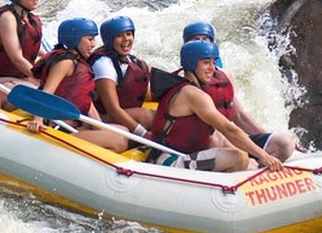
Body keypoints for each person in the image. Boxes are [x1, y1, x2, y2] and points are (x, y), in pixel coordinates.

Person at [149, 40, 283, 172]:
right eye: (206, 63)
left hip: (188, 154)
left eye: (213, 62)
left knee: (241, 157)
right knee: (239, 157)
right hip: (169, 160)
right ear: (191, 64)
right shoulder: (191, 94)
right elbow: (229, 129)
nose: (212, 68)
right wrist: (263, 156)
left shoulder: (194, 89)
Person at [181, 21, 295, 161]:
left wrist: (266, 139)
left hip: (230, 138)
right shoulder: (182, 81)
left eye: (205, 39)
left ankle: (259, 166)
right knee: (218, 141)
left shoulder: (224, 75)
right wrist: (262, 155)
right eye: (195, 40)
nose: (201, 44)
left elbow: (239, 116)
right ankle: (249, 165)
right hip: (207, 143)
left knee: (284, 143)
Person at [27, 18, 128, 153]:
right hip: (57, 126)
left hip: (74, 124)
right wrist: (37, 119)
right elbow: (47, 92)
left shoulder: (79, 63)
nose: (93, 44)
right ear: (75, 39)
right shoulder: (65, 63)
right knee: (118, 142)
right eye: (90, 39)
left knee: (124, 131)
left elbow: (86, 100)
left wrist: (100, 127)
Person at [89, 16, 154, 139]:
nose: (126, 39)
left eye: (129, 34)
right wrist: (143, 133)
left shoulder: (131, 60)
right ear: (109, 39)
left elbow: (144, 92)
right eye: (119, 36)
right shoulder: (103, 64)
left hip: (124, 111)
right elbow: (113, 109)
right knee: (147, 116)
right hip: (102, 117)